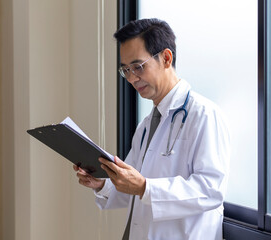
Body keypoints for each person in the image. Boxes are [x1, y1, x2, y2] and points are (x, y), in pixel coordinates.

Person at [73, 18, 230, 240]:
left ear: (166, 58)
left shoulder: (204, 115)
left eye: (138, 67)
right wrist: (102, 183)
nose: (131, 78)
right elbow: (132, 190)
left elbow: (210, 191)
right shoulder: (146, 125)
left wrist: (146, 187)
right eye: (125, 70)